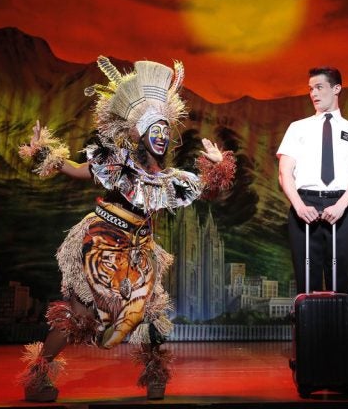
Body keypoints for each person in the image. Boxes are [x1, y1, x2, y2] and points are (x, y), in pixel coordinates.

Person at [16, 56, 236, 402]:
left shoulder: (169, 181)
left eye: (166, 131)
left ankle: (154, 376)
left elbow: (214, 192)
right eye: (155, 131)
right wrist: (44, 150)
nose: (162, 137)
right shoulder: (117, 162)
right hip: (101, 241)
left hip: (139, 250)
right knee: (80, 314)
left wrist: (218, 166)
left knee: (150, 313)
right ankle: (38, 376)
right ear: (141, 134)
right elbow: (76, 170)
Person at [277, 66, 348, 295]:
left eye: (319, 87)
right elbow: (284, 172)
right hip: (304, 206)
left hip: (341, 206)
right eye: (311, 89)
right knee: (306, 280)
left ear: (336, 88)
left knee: (340, 281)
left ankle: (338, 330)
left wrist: (341, 206)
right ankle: (307, 329)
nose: (314, 94)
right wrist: (299, 206)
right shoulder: (297, 128)